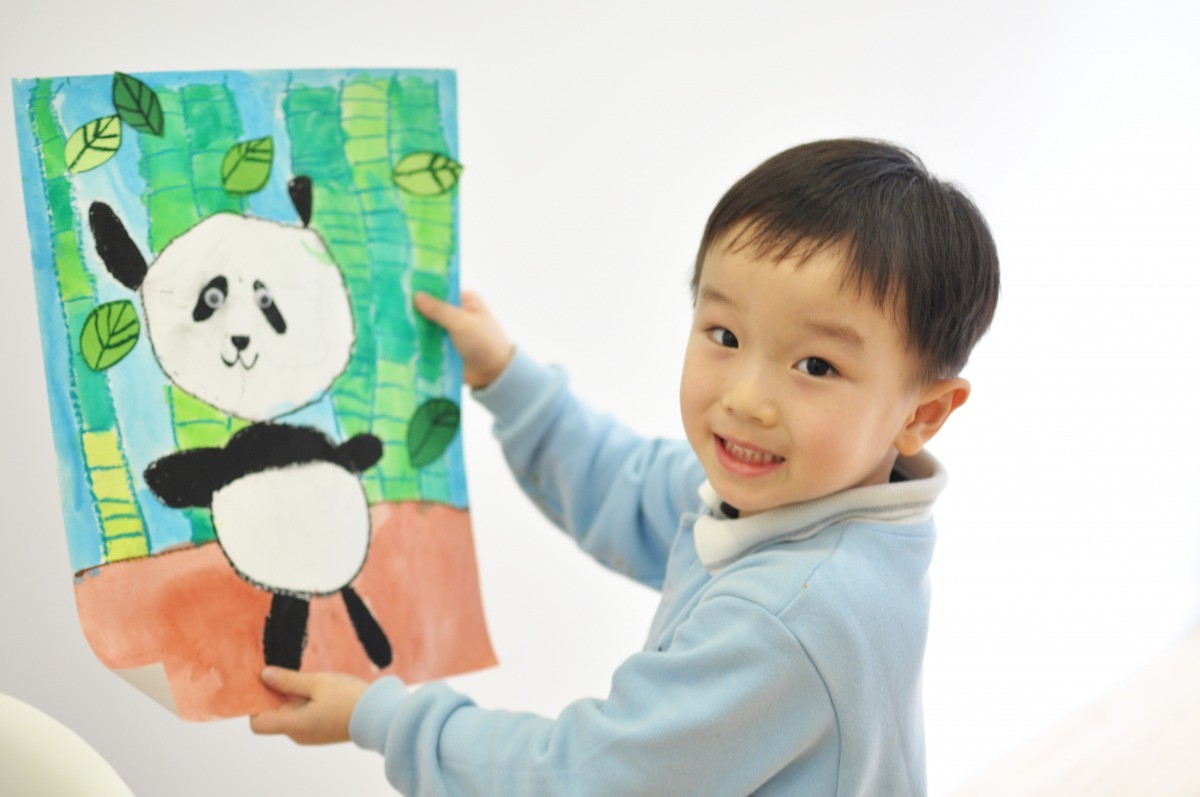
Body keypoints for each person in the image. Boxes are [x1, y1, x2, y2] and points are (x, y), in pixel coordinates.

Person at [250, 138, 1000, 796]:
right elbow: (627, 486)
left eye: (815, 365)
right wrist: (507, 379)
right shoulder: (805, 498)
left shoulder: (785, 618)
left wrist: (380, 717)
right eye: (725, 335)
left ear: (923, 413)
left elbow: (582, 777)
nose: (747, 399)